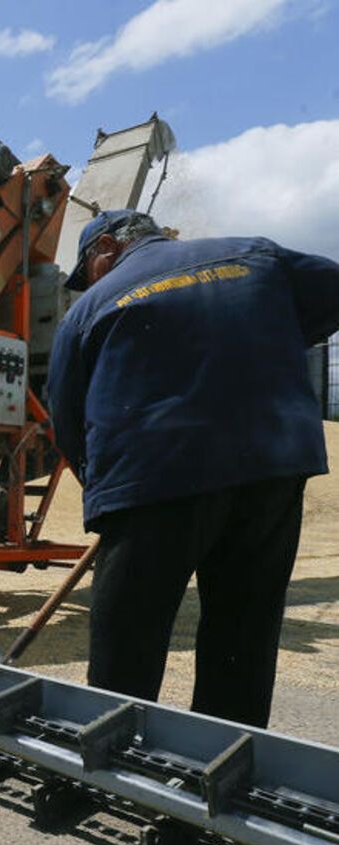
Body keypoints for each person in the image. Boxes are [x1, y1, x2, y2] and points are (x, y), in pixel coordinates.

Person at [45, 209, 339, 728]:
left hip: (151, 475)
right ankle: (226, 755)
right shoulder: (257, 254)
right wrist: (263, 338)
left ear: (106, 248)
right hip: (272, 465)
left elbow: (65, 415)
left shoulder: (90, 306)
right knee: (243, 629)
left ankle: (114, 749)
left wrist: (106, 491)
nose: (87, 283)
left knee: (129, 633)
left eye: (85, 270)